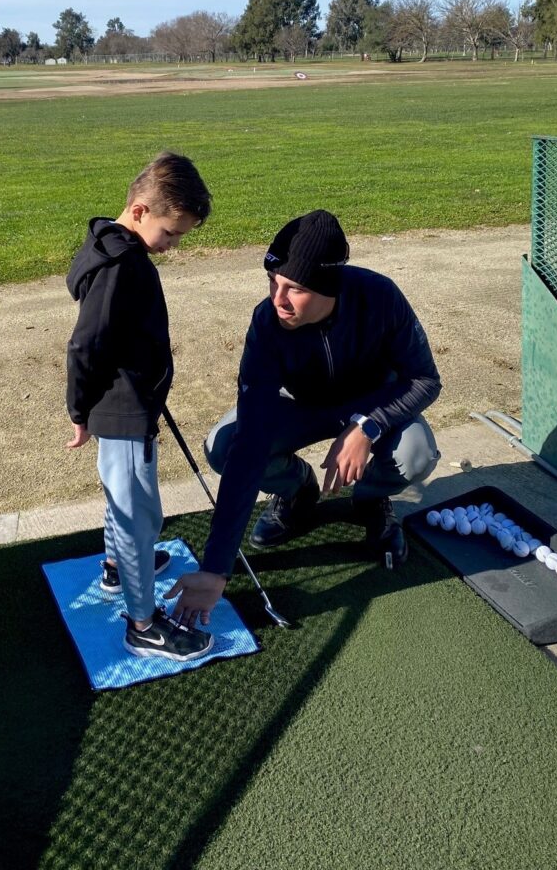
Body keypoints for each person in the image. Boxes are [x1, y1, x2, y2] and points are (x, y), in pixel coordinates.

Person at [166, 209, 442, 626]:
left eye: (293, 289)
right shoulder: (267, 320)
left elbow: (425, 379)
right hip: (300, 407)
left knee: (417, 454)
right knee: (225, 447)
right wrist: (216, 567)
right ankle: (298, 492)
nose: (277, 299)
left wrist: (368, 424)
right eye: (272, 283)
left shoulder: (380, 296)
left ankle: (370, 500)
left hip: (370, 408)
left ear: (327, 287)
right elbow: (251, 441)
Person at [66, 151, 215, 661]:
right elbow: (87, 344)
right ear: (138, 212)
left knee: (127, 501)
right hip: (123, 411)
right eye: (170, 234)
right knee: (139, 516)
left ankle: (115, 568)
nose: (172, 246)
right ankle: (143, 625)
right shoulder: (119, 268)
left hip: (132, 404)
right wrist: (79, 410)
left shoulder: (111, 246)